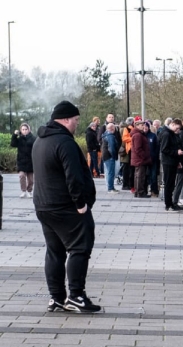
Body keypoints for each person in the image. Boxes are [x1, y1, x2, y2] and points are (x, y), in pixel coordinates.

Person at [32, 100, 101, 313]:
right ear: (65, 119)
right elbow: (74, 176)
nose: (77, 124)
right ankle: (76, 296)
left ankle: (56, 298)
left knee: (55, 252)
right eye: (76, 120)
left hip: (44, 205)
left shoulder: (40, 141)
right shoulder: (65, 142)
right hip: (66, 206)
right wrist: (80, 203)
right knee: (80, 248)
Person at [158, 118, 183, 211]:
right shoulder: (166, 134)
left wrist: (177, 161)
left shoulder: (171, 134)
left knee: (171, 183)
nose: (178, 130)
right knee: (169, 183)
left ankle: (171, 203)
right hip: (168, 162)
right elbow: (164, 149)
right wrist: (176, 152)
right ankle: (168, 203)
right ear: (172, 125)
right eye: (177, 128)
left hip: (172, 161)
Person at [10, 123, 36, 198]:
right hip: (21, 161)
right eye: (23, 129)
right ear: (21, 130)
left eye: (26, 129)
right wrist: (14, 135)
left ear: (29, 130)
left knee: (31, 179)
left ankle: (29, 191)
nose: (24, 131)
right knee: (21, 176)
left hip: (30, 161)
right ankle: (23, 191)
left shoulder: (33, 138)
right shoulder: (19, 139)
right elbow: (13, 144)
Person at [130, 117, 152, 198]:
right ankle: (140, 192)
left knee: (138, 176)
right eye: (142, 125)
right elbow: (138, 148)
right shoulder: (138, 135)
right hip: (140, 159)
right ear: (137, 126)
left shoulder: (138, 134)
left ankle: (138, 191)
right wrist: (144, 157)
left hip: (138, 159)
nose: (143, 126)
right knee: (140, 176)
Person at [100, 123, 119, 194]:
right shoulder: (110, 136)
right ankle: (110, 188)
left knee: (109, 172)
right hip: (109, 156)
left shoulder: (105, 135)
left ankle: (111, 187)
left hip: (105, 155)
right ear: (112, 128)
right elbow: (112, 147)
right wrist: (114, 156)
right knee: (111, 172)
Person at [144, 121, 159, 197]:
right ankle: (144, 190)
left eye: (146, 126)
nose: (145, 128)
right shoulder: (141, 135)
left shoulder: (153, 136)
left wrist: (155, 156)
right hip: (144, 159)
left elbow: (156, 147)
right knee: (145, 176)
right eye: (143, 126)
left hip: (153, 159)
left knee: (153, 176)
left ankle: (154, 191)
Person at [120, 117, 135, 192]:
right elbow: (124, 139)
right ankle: (125, 184)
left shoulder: (127, 128)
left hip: (127, 150)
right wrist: (133, 138)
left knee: (128, 168)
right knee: (126, 168)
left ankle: (127, 184)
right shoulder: (126, 129)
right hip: (126, 150)